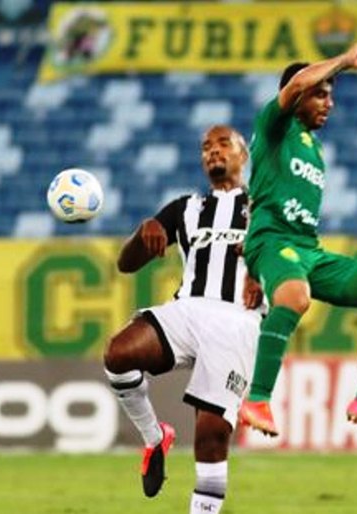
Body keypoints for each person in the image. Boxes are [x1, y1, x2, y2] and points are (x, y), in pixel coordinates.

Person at [238, 40, 357, 441]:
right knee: (295, 298)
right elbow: (297, 82)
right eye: (320, 94)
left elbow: (257, 195)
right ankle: (257, 398)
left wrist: (250, 272)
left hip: (307, 250)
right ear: (296, 97)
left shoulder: (314, 148)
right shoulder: (273, 127)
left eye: (331, 96)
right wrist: (345, 62)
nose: (329, 104)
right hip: (274, 241)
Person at [103, 125, 263, 514]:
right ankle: (154, 437)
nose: (213, 151)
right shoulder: (185, 208)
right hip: (188, 310)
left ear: (243, 155)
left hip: (237, 320)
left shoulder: (266, 206)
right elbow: (127, 265)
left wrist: (264, 272)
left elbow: (295, 254)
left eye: (223, 144)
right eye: (206, 146)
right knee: (118, 354)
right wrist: (144, 233)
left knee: (210, 437)